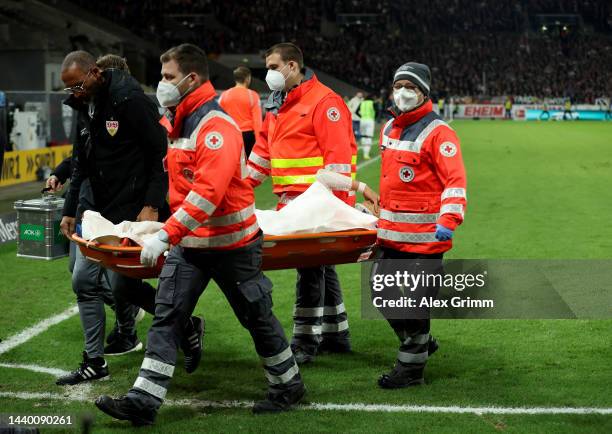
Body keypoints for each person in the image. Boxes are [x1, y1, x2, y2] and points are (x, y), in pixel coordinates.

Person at [95, 44, 305, 425]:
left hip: (233, 245)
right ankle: (143, 401)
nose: (162, 84)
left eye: (168, 77)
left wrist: (166, 233)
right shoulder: (180, 121)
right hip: (192, 246)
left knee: (256, 317)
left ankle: (289, 385)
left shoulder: (214, 127)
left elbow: (208, 194)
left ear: (192, 79)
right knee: (167, 315)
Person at [56, 51, 203, 386]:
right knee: (82, 281)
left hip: (134, 209)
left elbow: (159, 154)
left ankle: (187, 325)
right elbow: (82, 163)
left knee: (123, 285)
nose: (74, 92)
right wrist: (69, 209)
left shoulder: (131, 101)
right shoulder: (84, 104)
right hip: (98, 211)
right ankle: (95, 361)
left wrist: (152, 203)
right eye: (69, 88)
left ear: (94, 73)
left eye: (78, 85)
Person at [320, 62, 467, 389]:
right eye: (398, 85)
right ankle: (420, 343)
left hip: (427, 239)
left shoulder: (439, 133)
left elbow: (455, 182)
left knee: (414, 305)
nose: (402, 92)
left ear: (423, 92)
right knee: (382, 293)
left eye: (410, 87)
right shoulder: (389, 129)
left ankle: (411, 370)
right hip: (391, 235)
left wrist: (448, 219)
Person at [247, 43, 357, 365]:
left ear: (293, 66)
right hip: (292, 202)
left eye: (273, 66)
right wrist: (239, 186)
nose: (268, 74)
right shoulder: (277, 105)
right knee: (319, 265)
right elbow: (262, 153)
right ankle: (337, 334)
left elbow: (338, 163)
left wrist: (336, 209)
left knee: (308, 267)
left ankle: (305, 340)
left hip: (316, 202)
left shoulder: (324, 102)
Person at [218, 66, 262, 156]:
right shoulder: (253, 95)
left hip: (229, 135)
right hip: (247, 137)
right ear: (247, 78)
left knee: (232, 163)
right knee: (248, 166)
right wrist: (259, 143)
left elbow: (219, 119)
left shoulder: (224, 95)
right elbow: (257, 122)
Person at [358, 94, 376, 160]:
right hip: (370, 120)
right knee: (369, 137)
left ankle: (364, 151)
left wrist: (361, 117)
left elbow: (357, 111)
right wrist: (375, 118)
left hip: (362, 120)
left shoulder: (362, 103)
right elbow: (377, 111)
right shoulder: (372, 103)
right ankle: (366, 154)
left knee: (363, 136)